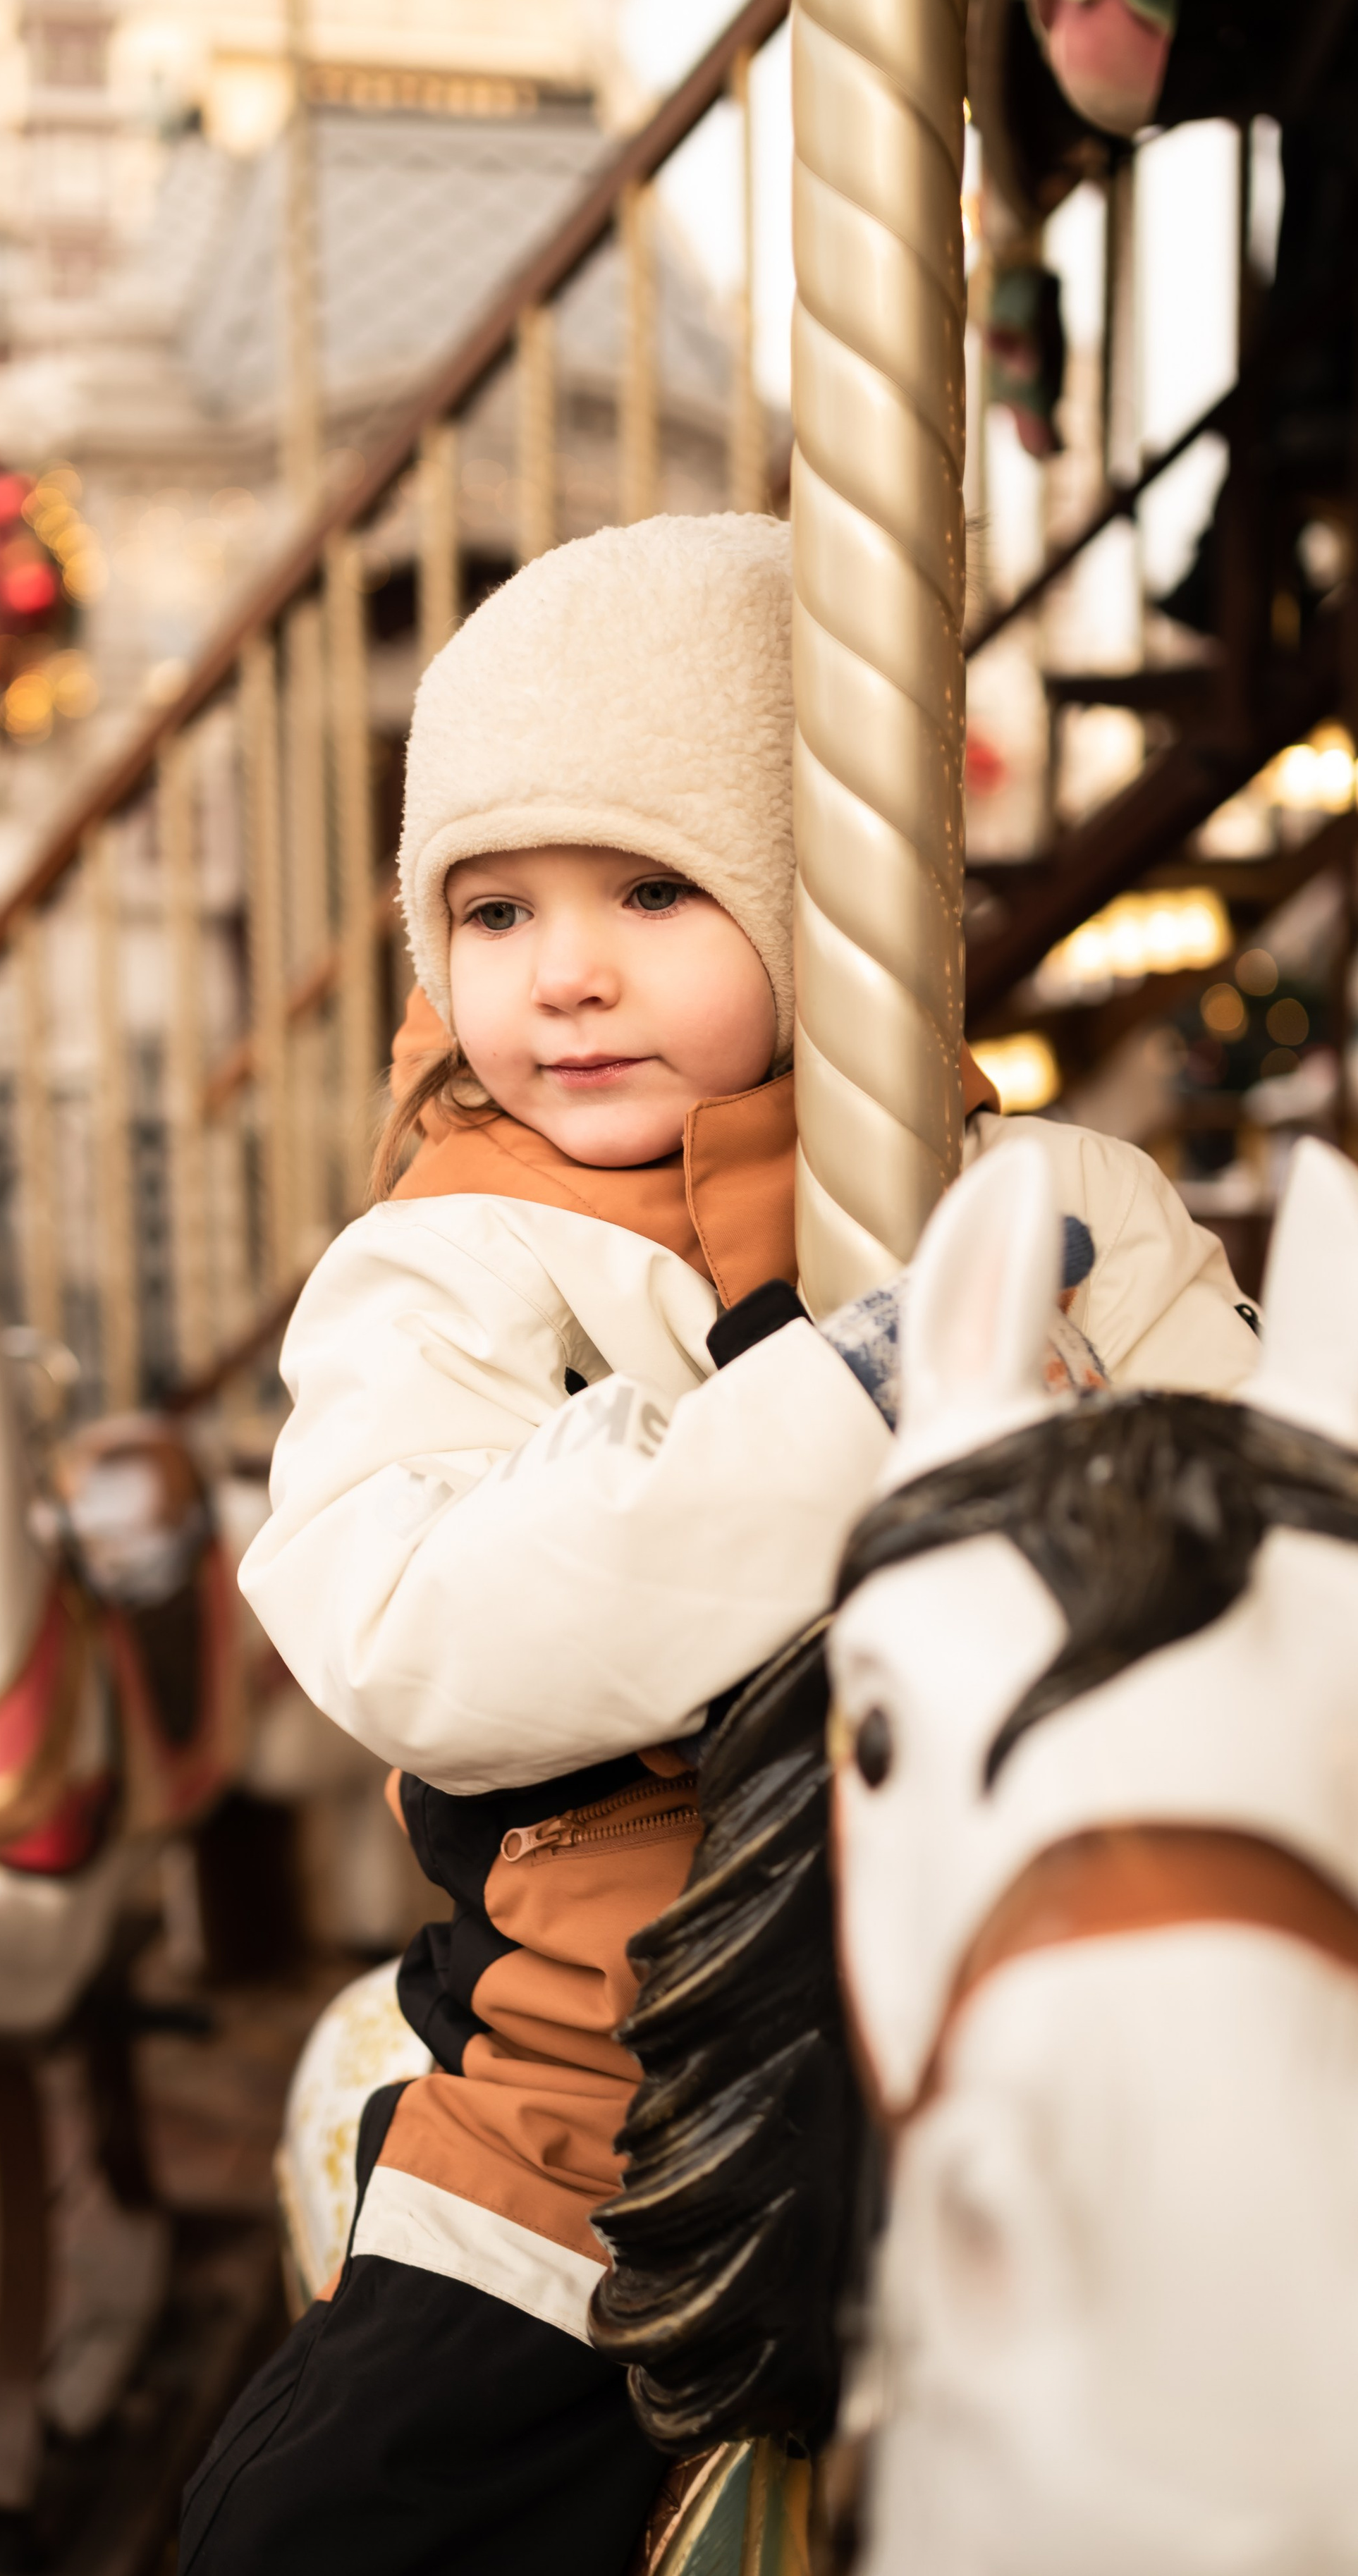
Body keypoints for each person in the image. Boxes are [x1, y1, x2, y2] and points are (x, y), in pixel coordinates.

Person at [178, 514, 1259, 2575]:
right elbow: (410, 1624)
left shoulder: (1067, 1211)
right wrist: (841, 1416)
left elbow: (1269, 1541)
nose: (564, 970)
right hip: (621, 2113)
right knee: (311, 2526)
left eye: (655, 891)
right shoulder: (448, 1268)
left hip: (1076, 2024)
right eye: (495, 908)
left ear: (833, 897)